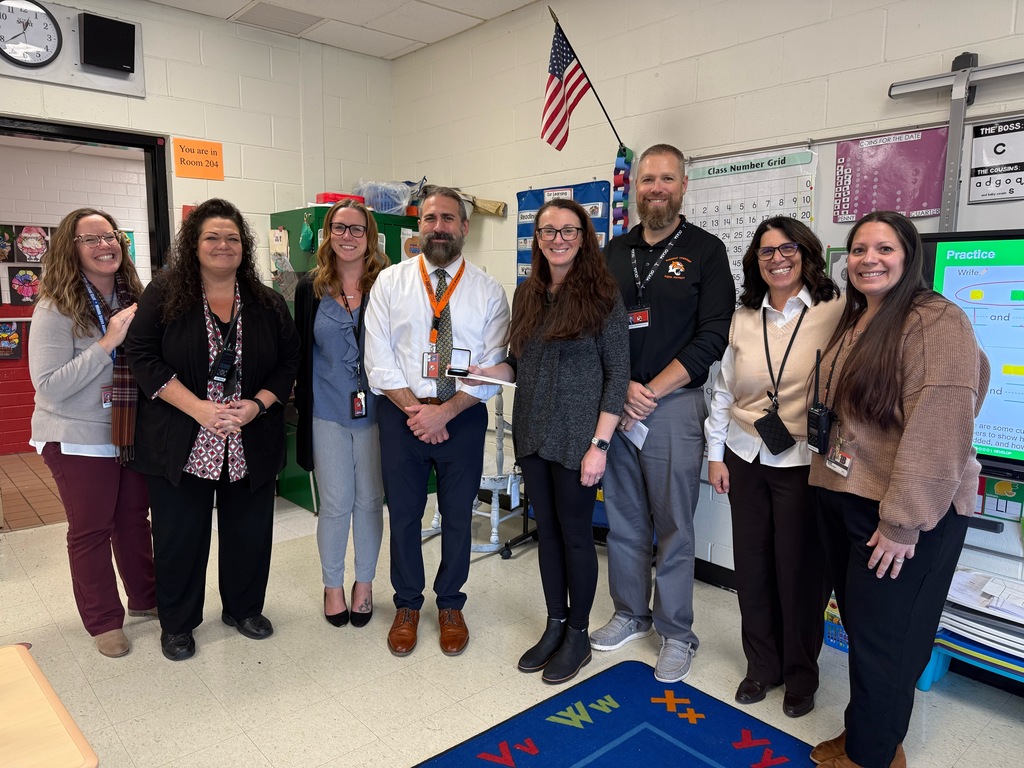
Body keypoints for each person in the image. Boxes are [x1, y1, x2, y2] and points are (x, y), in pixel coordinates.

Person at [807, 211, 988, 768]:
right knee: (867, 634)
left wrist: (902, 521)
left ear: (909, 256)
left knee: (888, 642)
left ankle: (870, 756)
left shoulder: (936, 320)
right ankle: (871, 736)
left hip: (899, 514)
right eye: (859, 249)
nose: (869, 259)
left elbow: (941, 425)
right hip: (849, 494)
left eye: (884, 248)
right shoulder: (863, 314)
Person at [125, 198, 300, 662]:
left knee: (249, 533)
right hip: (182, 438)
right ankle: (178, 625)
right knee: (180, 538)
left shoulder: (266, 302)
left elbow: (289, 361)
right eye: (212, 237)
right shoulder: (164, 294)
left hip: (249, 438)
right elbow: (141, 356)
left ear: (244, 246)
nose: (223, 245)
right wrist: (197, 408)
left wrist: (258, 405)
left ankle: (244, 609)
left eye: (232, 238)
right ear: (194, 245)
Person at [470, 199, 629, 684]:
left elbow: (617, 377)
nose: (558, 240)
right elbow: (518, 363)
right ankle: (555, 623)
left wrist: (600, 446)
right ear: (537, 239)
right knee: (548, 534)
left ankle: (577, 634)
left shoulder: (604, 296)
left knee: (576, 535)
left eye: (568, 231)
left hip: (579, 438)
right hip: (534, 433)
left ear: (583, 237)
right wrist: (485, 371)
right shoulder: (528, 294)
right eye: (548, 231)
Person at [593, 143, 734, 683]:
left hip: (672, 405)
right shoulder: (612, 252)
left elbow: (713, 336)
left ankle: (676, 632)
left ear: (683, 186)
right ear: (636, 187)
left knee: (674, 524)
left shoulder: (706, 251)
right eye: (647, 179)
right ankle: (631, 613)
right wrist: (622, 388)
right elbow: (595, 328)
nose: (656, 188)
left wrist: (648, 390)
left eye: (667, 179)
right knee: (625, 519)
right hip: (617, 404)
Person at [704, 217, 843, 717]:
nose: (778, 259)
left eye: (788, 249)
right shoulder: (742, 317)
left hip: (803, 461)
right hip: (745, 455)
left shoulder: (835, 309)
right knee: (754, 567)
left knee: (800, 572)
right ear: (755, 261)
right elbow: (722, 390)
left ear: (806, 253)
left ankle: (801, 675)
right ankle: (761, 665)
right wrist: (715, 455)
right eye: (766, 251)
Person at [364, 186, 510, 658]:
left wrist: (444, 413)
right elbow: (378, 361)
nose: (439, 227)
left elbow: (493, 367)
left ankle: (450, 604)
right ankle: (407, 604)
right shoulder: (390, 283)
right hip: (402, 416)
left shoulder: (488, 291)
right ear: (419, 226)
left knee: (458, 516)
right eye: (430, 219)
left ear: (464, 227)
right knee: (405, 516)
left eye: (448, 219)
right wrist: (418, 413)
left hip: (462, 417)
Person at [29, 208, 156, 658]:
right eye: (91, 239)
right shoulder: (54, 308)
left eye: (111, 236)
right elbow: (48, 385)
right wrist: (107, 344)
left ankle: (146, 598)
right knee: (91, 529)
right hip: (76, 435)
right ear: (72, 249)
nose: (105, 245)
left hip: (128, 429)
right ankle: (103, 621)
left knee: (133, 521)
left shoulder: (135, 298)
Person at [295, 199, 389, 628]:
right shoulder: (310, 288)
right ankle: (332, 584)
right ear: (327, 234)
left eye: (356, 229)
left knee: (369, 500)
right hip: (327, 410)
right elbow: (300, 351)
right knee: (335, 503)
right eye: (339, 227)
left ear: (369, 236)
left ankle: (364, 583)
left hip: (377, 411)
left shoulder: (386, 285)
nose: (347, 236)